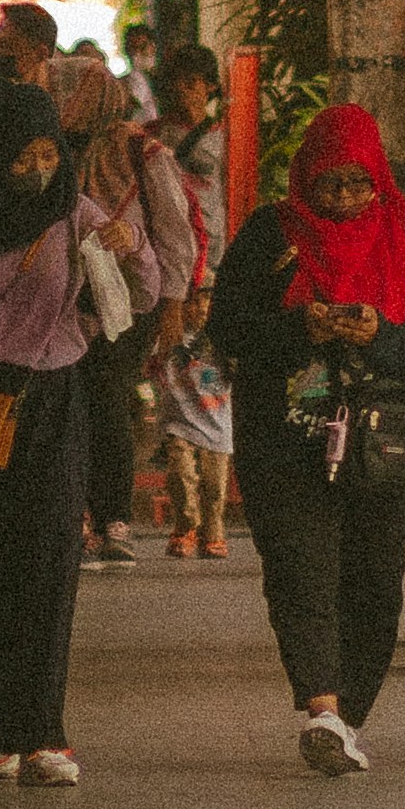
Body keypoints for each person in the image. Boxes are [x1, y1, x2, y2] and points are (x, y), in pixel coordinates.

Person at [0, 72, 153, 785]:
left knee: (50, 558)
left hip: (54, 400)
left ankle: (42, 727)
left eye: (50, 153)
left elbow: (135, 296)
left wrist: (129, 241)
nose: (41, 169)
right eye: (24, 156)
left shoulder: (73, 212)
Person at [206, 102, 405, 767]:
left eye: (357, 183)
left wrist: (383, 337)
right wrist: (297, 330)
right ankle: (322, 708)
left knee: (373, 581)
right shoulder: (269, 235)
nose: (343, 199)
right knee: (300, 570)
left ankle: (346, 718)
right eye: (329, 184)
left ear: (378, 181)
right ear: (304, 178)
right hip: (283, 434)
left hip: (378, 438)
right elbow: (227, 324)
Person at [59, 49, 196, 568]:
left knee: (106, 397)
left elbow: (174, 229)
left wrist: (174, 303)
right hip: (66, 298)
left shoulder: (144, 151)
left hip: (129, 297)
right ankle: (80, 519)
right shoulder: (52, 150)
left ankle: (113, 518)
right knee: (76, 402)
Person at [151, 42, 235, 557]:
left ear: (209, 85)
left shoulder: (230, 140)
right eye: (175, 82)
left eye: (192, 81)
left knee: (213, 396)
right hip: (171, 285)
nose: (184, 91)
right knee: (176, 400)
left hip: (213, 283)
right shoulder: (153, 140)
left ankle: (216, 524)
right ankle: (186, 520)